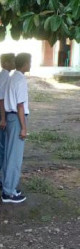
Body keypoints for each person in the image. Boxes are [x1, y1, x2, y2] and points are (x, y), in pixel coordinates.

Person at [2, 53, 32, 204]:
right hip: (16, 119)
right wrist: (24, 128)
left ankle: (8, 186)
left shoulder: (12, 77)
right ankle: (9, 193)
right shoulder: (20, 79)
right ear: (25, 64)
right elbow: (20, 105)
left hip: (10, 117)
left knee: (9, 155)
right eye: (29, 62)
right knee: (14, 157)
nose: (31, 65)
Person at [0, 53, 16, 193]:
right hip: (2, 116)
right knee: (2, 149)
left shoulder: (6, 76)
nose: (14, 62)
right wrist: (3, 119)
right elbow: (1, 99)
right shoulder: (4, 76)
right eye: (12, 61)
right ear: (5, 63)